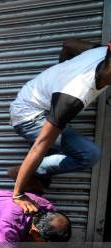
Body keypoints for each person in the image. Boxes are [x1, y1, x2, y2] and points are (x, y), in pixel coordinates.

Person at [10, 41, 109, 213]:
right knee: (89, 154)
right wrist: (18, 194)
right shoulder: (73, 95)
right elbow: (40, 145)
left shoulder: (101, 51)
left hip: (45, 103)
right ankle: (23, 172)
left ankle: (35, 176)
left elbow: (68, 45)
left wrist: (61, 73)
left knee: (42, 184)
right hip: (28, 116)